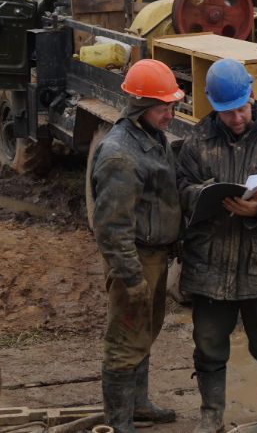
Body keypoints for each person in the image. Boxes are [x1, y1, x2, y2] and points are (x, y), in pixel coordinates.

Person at [177, 58, 257, 433]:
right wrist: (202, 193)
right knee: (208, 342)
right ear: (212, 106)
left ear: (251, 95)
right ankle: (211, 415)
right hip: (210, 261)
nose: (235, 118)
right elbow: (181, 187)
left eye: (240, 108)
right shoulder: (197, 142)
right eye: (226, 112)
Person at [90, 59, 185, 433]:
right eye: (164, 108)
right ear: (142, 107)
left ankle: (139, 404)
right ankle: (119, 422)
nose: (170, 114)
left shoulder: (150, 137)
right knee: (125, 337)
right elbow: (112, 228)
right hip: (135, 258)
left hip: (154, 255)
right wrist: (131, 279)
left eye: (172, 106)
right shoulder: (120, 155)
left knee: (146, 330)